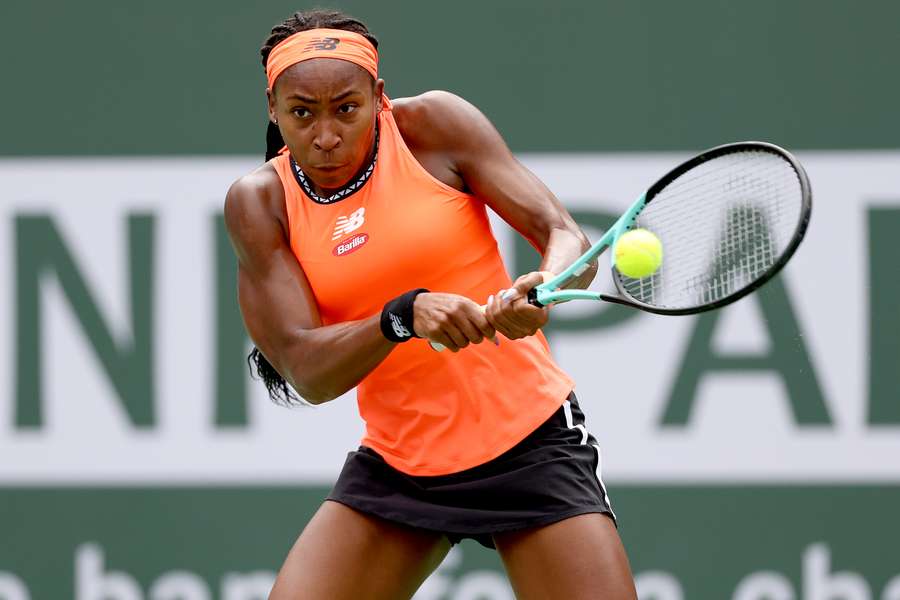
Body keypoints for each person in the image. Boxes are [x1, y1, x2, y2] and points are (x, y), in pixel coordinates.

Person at [224, 9, 637, 600]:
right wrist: (402, 316)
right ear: (273, 107)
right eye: (301, 113)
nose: (325, 134)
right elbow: (306, 371)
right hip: (400, 466)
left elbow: (563, 232)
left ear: (378, 97)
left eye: (346, 108)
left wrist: (542, 286)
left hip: (529, 443)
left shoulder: (432, 127)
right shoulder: (259, 203)